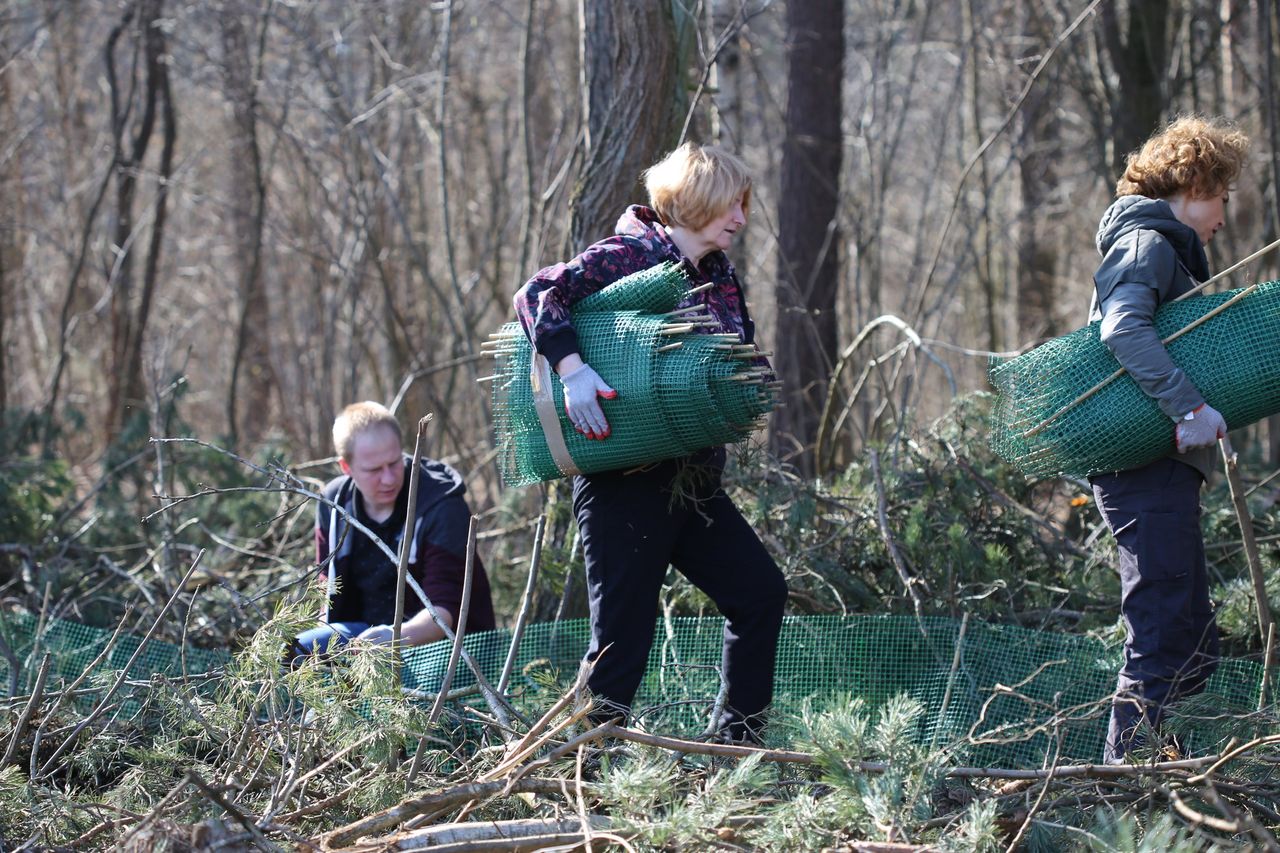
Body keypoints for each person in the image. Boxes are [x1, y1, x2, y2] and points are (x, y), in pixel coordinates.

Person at [514, 142, 788, 743]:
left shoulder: (719, 276)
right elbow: (537, 294)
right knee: (620, 645)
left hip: (692, 483)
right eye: (728, 205)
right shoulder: (632, 255)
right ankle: (583, 771)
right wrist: (573, 372)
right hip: (625, 489)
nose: (741, 219)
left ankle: (734, 749)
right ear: (690, 203)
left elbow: (736, 357)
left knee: (760, 594)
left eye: (742, 205)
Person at [1089, 116, 1249, 762]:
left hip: (1162, 472)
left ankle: (1164, 769)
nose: (1224, 216)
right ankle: (1121, 790)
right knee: (1159, 639)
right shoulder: (1146, 243)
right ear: (1193, 181)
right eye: (1222, 197)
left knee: (1191, 640)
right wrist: (1187, 408)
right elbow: (1122, 329)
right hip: (1142, 472)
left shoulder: (1163, 246)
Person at [289, 401, 496, 663]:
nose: (388, 478)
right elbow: (327, 590)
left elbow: (445, 611)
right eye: (374, 469)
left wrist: (394, 638)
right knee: (294, 651)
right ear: (346, 467)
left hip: (445, 650)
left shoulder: (441, 505)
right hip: (359, 640)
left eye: (394, 462)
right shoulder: (334, 504)